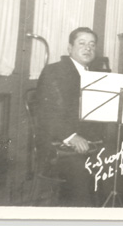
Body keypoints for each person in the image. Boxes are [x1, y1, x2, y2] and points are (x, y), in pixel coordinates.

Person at [35, 27, 104, 207]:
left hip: (88, 143)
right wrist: (70, 136)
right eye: (82, 43)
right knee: (81, 171)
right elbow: (45, 113)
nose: (88, 48)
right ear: (69, 48)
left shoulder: (96, 75)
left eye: (92, 44)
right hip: (57, 145)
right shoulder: (54, 71)